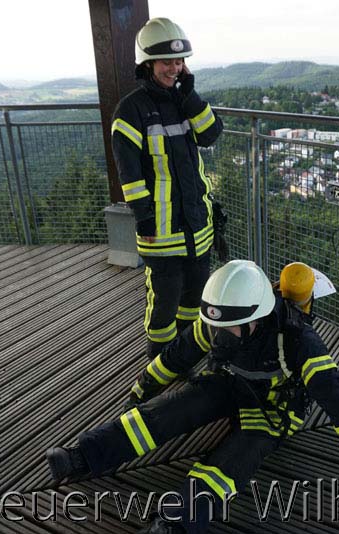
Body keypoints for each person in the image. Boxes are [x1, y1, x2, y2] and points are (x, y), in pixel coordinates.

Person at [46, 260, 339, 534]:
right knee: (166, 411)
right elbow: (177, 357)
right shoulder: (220, 321)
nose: (219, 335)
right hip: (227, 383)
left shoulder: (298, 342)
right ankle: (83, 456)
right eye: (215, 325)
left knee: (231, 462)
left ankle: (174, 524)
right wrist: (141, 390)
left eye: (229, 328)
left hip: (273, 409)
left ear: (257, 318)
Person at [112, 17, 224, 358]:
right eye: (166, 62)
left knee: (194, 296)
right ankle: (160, 359)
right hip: (160, 230)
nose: (174, 69)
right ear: (147, 63)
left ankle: (184, 354)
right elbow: (129, 172)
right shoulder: (130, 110)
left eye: (179, 62)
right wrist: (143, 217)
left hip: (197, 225)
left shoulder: (184, 100)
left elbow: (210, 134)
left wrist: (190, 95)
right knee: (165, 300)